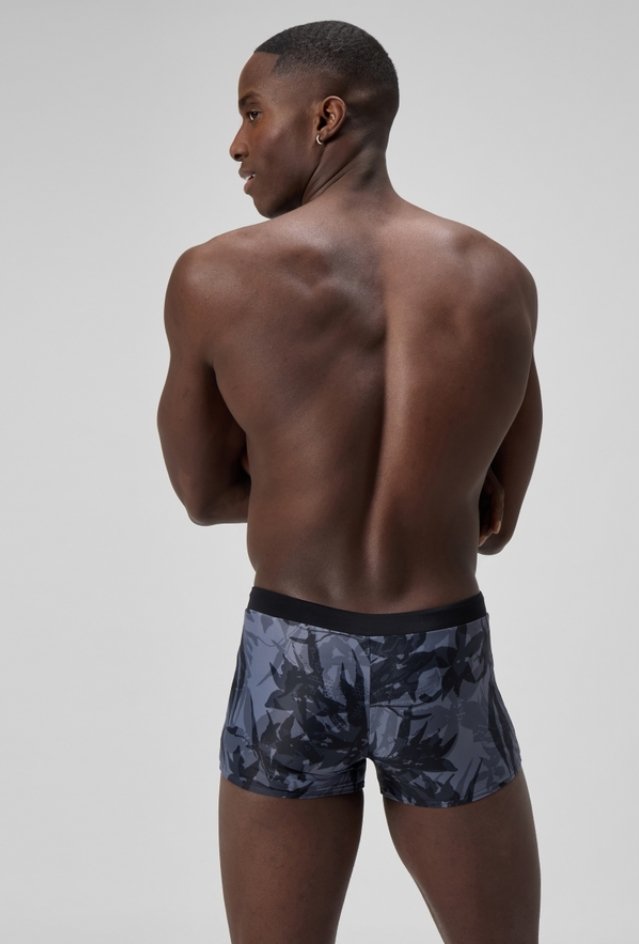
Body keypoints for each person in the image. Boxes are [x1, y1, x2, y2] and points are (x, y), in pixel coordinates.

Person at [157, 19, 542, 944]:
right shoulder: (499, 279)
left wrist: (299, 485)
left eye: (253, 112)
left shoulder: (214, 279)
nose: (237, 143)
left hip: (291, 652)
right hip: (438, 651)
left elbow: (203, 496)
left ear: (325, 117)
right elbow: (494, 519)